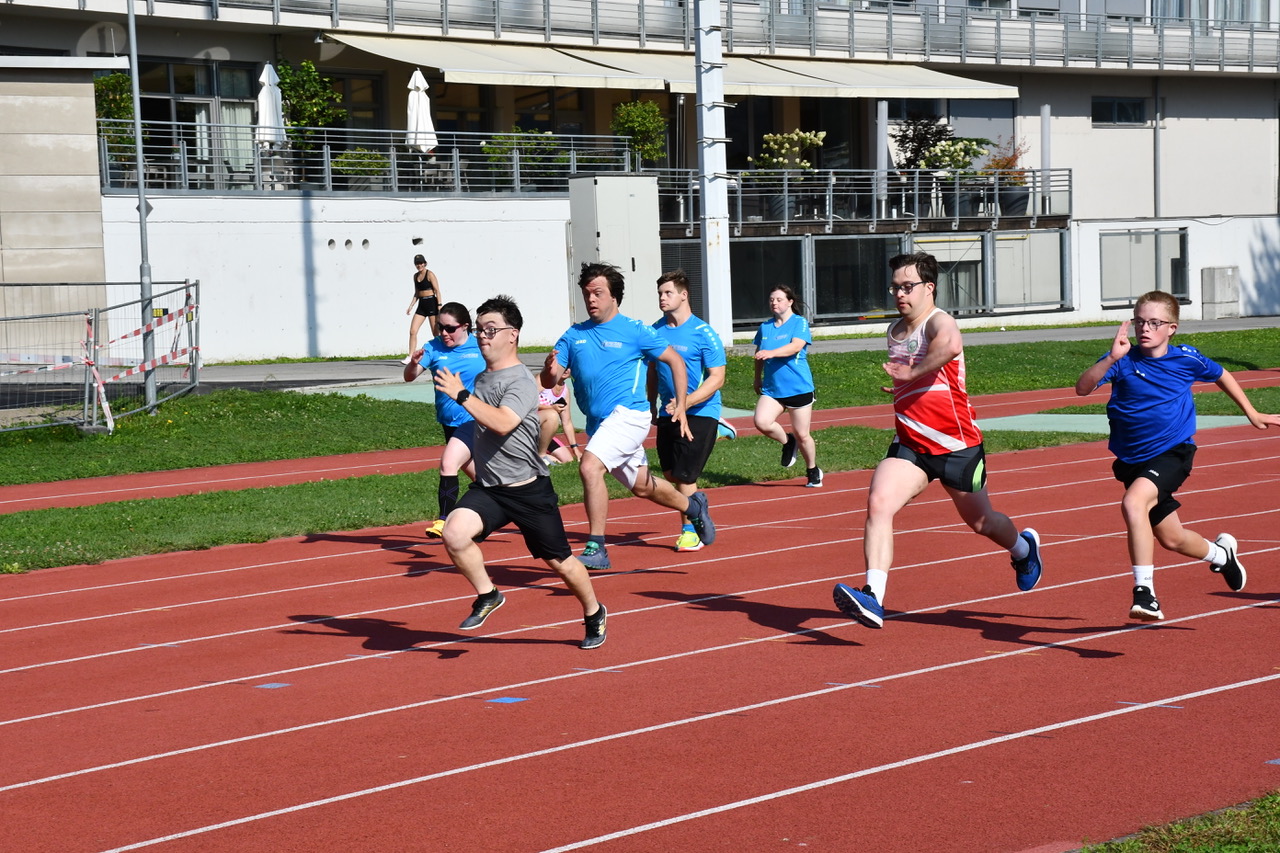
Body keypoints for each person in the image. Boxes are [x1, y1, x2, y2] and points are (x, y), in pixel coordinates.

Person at [832, 252, 1043, 629]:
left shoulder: (939, 321)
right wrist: (901, 385)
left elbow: (950, 347)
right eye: (895, 286)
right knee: (879, 502)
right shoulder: (894, 330)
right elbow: (912, 378)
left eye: (908, 286)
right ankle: (873, 597)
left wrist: (910, 373)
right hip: (911, 445)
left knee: (982, 522)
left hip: (956, 446)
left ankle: (1024, 550)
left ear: (929, 288)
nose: (900, 293)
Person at [1074, 291, 1279, 621]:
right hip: (1132, 461)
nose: (1145, 328)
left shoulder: (1186, 359)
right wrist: (1111, 359)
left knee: (1132, 503)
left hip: (1173, 452)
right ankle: (1221, 554)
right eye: (1140, 321)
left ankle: (1145, 592)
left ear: (1171, 328)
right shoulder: (1122, 358)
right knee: (1172, 538)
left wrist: (1252, 412)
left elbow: (1221, 374)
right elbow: (1082, 388)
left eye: (1154, 323)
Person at [433, 295, 607, 649]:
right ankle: (489, 595)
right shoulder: (482, 378)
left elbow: (503, 423)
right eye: (480, 329)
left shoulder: (521, 381)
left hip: (528, 490)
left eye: (491, 329)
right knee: (453, 533)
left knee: (561, 564)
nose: (483, 336)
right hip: (491, 489)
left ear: (512, 335)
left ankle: (593, 611)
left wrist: (462, 396)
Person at [541, 262, 716, 571]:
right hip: (599, 425)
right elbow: (551, 379)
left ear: (614, 297)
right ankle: (693, 506)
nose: (591, 299)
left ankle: (596, 547)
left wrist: (683, 407)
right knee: (642, 487)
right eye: (587, 294)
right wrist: (548, 369)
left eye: (598, 293)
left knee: (590, 466)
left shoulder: (635, 330)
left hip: (630, 415)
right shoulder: (573, 335)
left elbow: (675, 361)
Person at [648, 269, 727, 552]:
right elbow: (653, 371)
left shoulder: (703, 332)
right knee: (669, 473)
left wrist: (687, 402)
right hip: (668, 411)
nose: (662, 298)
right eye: (659, 293)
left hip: (700, 411)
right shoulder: (655, 331)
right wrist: (650, 404)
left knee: (684, 476)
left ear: (684, 295)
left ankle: (689, 530)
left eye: (668, 293)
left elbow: (717, 377)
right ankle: (697, 505)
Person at [403, 302, 484, 539]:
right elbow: (409, 377)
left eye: (450, 328)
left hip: (475, 420)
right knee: (482, 479)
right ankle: (503, 510)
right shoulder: (433, 347)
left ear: (465, 326)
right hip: (449, 422)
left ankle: (444, 519)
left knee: (448, 464)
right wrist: (414, 363)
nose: (444, 333)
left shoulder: (479, 345)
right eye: (440, 327)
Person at [753, 285, 822, 487]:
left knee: (803, 434)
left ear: (790, 301)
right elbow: (758, 355)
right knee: (762, 421)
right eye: (771, 300)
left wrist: (772, 353)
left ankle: (812, 470)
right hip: (773, 389)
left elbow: (796, 346)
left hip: (798, 388)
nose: (774, 303)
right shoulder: (765, 327)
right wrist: (757, 378)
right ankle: (787, 442)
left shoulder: (798, 323)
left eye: (779, 299)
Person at [403, 253, 443, 364]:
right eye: (417, 263)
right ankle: (410, 356)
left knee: (435, 333)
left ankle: (441, 353)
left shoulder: (430, 274)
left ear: (424, 263)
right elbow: (417, 293)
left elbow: (437, 291)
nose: (419, 265)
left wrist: (439, 305)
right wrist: (410, 306)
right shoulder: (415, 276)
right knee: (413, 331)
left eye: (421, 263)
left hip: (431, 302)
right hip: (422, 304)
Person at [537, 369, 581, 466]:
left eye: (569, 367)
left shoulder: (565, 390)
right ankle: (540, 456)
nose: (566, 370)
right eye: (563, 366)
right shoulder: (542, 381)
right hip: (529, 427)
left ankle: (537, 454)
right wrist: (550, 407)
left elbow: (567, 422)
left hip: (544, 433)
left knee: (567, 460)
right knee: (551, 414)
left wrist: (575, 448)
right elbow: (525, 402)